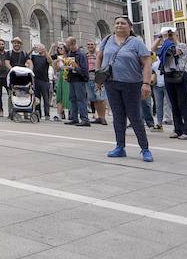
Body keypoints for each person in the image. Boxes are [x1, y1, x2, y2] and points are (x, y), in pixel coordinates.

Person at [98, 16, 153, 161]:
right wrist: (98, 76)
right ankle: (120, 147)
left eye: (123, 23)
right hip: (111, 83)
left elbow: (147, 63)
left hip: (132, 84)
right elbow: (99, 56)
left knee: (135, 117)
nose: (119, 25)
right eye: (117, 23)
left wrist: (146, 83)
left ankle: (145, 149)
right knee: (118, 116)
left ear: (130, 27)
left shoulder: (136, 42)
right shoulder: (107, 40)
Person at [159, 32, 187, 140]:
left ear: (176, 35)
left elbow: (174, 52)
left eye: (171, 35)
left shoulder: (181, 45)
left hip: (180, 76)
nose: (169, 37)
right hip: (169, 76)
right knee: (173, 104)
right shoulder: (164, 46)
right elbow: (153, 49)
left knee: (182, 103)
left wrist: (169, 40)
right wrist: (160, 38)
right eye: (167, 35)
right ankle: (178, 129)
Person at [61, 37, 90, 126]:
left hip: (79, 80)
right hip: (72, 79)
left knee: (81, 99)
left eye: (68, 45)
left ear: (73, 43)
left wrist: (75, 67)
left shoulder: (81, 54)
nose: (67, 46)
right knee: (72, 99)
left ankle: (85, 119)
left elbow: (84, 70)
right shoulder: (70, 53)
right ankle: (74, 118)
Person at [85, 40, 107, 125]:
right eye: (88, 44)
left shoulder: (99, 54)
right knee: (93, 98)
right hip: (88, 77)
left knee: (100, 98)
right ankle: (99, 117)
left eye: (92, 44)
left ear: (95, 45)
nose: (90, 46)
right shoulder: (86, 55)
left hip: (97, 77)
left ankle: (103, 117)